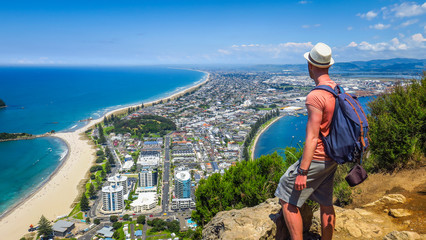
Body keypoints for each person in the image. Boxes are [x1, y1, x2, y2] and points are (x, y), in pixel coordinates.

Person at [275, 42, 338, 240]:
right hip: (333, 156)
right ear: (328, 65)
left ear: (310, 66)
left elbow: (312, 137)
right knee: (326, 202)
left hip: (318, 156)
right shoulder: (337, 90)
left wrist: (302, 172)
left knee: (286, 195)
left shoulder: (315, 96)